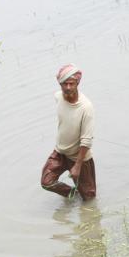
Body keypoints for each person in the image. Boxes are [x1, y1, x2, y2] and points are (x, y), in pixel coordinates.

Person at [40, 63, 97, 201]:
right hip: (60, 152)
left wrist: (77, 166)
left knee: (89, 197)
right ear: (60, 84)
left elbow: (86, 141)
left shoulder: (86, 107)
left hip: (80, 158)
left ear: (77, 83)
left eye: (71, 83)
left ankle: (88, 215)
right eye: (64, 84)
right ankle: (72, 194)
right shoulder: (58, 97)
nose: (68, 87)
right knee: (46, 182)